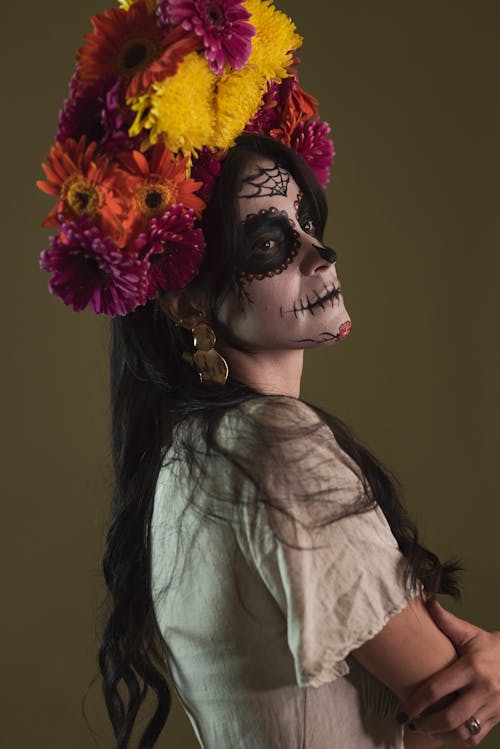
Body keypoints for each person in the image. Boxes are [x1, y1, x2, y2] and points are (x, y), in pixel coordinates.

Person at [36, 1, 499, 747]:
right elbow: (452, 707)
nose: (321, 258)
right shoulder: (273, 444)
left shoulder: (194, 451)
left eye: (309, 225)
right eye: (269, 244)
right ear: (191, 299)